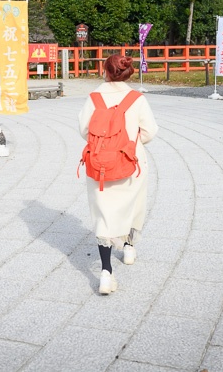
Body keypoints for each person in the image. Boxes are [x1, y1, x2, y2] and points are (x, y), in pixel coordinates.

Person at [78, 54, 158, 295]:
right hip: (131, 161)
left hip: (100, 164)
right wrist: (130, 142)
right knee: (134, 205)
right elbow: (150, 131)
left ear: (105, 71)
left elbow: (84, 130)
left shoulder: (94, 98)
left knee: (103, 213)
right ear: (127, 73)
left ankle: (105, 272)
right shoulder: (136, 99)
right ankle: (129, 247)